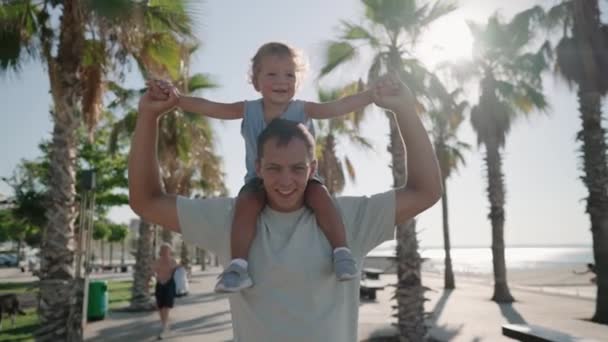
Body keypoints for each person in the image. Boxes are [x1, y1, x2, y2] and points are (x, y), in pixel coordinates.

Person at [129, 73, 442, 342]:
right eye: (274, 168)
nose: (286, 181)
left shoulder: (348, 219)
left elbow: (426, 190)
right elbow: (146, 201)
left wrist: (404, 109)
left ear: (313, 167)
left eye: (297, 168)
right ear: (258, 167)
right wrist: (148, 117)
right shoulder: (233, 219)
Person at [149, 42, 383, 293]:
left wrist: (370, 95)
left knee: (321, 196)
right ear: (256, 81)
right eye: (272, 74)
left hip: (304, 180)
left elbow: (336, 108)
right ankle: (238, 267)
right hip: (258, 181)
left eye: (289, 75)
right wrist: (177, 100)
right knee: (246, 204)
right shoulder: (248, 110)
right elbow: (211, 107)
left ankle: (342, 252)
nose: (281, 81)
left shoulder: (303, 109)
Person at [150, 243, 178, 339]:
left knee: (166, 306)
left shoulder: (173, 261)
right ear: (160, 252)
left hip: (169, 285)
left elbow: (177, 274)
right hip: (160, 285)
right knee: (160, 306)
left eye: (167, 250)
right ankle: (164, 325)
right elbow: (152, 273)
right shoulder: (157, 262)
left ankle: (164, 327)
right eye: (163, 250)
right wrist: (152, 279)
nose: (165, 252)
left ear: (170, 252)